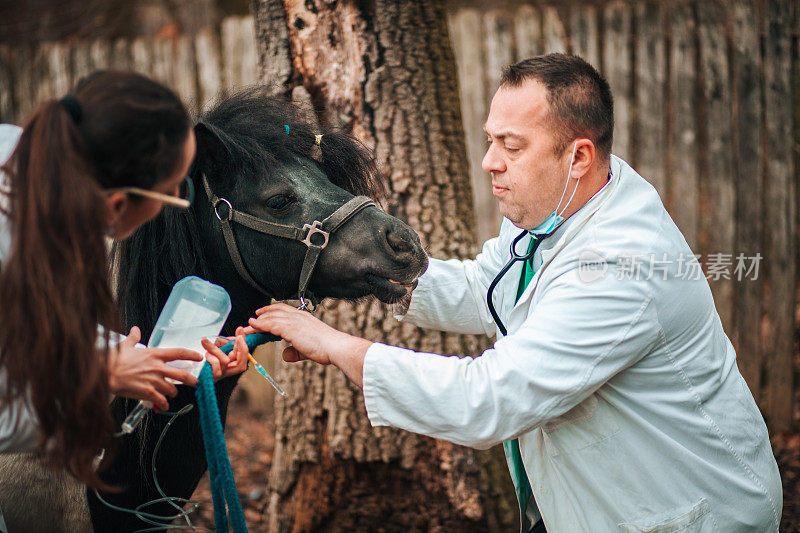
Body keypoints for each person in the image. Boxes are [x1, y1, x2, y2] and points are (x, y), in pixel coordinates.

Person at [239, 54, 782, 531]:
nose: (490, 162)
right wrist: (378, 272)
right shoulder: (555, 207)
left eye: (512, 146)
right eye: (491, 140)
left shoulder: (621, 267)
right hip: (593, 495)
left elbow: (490, 399)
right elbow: (488, 289)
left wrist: (337, 346)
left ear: (578, 157)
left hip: (686, 511)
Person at [0, 70, 245, 490]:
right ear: (117, 202)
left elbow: (34, 324)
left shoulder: (48, 189)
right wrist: (98, 379)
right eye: (175, 189)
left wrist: (149, 358)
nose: (178, 202)